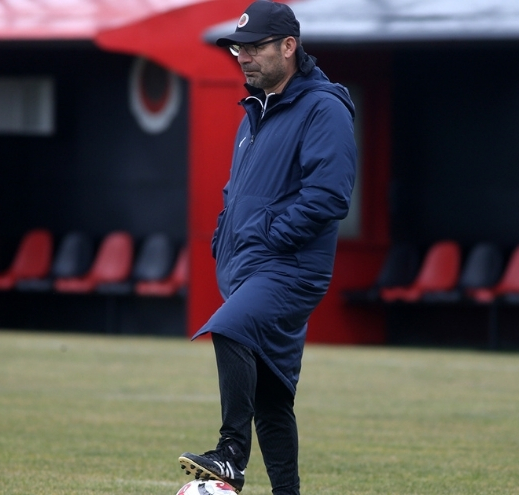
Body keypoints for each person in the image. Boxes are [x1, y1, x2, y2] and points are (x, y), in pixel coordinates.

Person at [177, 1, 357, 493]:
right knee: (272, 397)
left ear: (289, 46)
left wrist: (270, 237)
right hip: (250, 267)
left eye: (255, 47)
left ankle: (230, 454)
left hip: (290, 267)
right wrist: (225, 235)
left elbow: (330, 196)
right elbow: (237, 191)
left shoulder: (324, 108)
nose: (244, 56)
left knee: (230, 329)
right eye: (239, 48)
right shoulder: (255, 111)